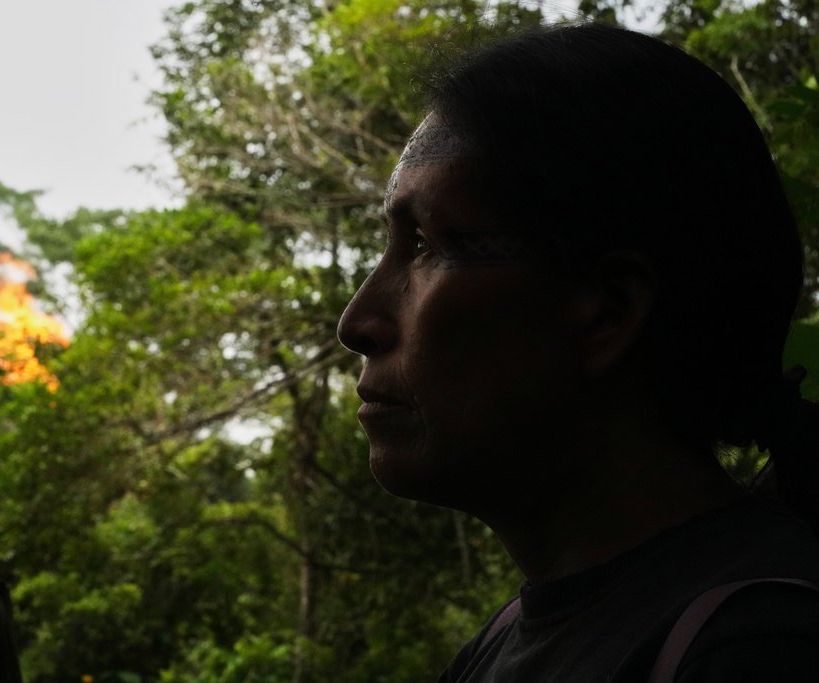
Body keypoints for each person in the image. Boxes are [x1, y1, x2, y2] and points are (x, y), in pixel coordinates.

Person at [336, 22, 819, 682]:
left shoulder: (759, 643)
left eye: (428, 245)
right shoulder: (496, 647)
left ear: (607, 314)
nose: (358, 321)